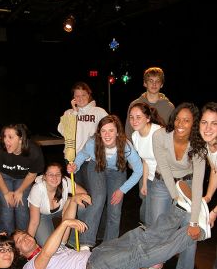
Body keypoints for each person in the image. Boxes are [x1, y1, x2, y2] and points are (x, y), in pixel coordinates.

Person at [13, 182, 210, 269]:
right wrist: (65, 224)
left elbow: (65, 225)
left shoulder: (53, 246)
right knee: (140, 255)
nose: (25, 239)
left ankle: (180, 210)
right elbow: (48, 251)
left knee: (141, 236)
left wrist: (72, 200)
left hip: (97, 255)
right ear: (20, 253)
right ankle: (195, 233)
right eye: (20, 241)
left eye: (23, 234)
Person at [150, 102, 207, 269]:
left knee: (190, 229)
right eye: (178, 119)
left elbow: (198, 184)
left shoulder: (199, 145)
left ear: (194, 124)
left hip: (188, 183)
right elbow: (164, 168)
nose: (180, 124)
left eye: (187, 120)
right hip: (162, 181)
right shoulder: (159, 136)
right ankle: (155, 259)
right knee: (158, 224)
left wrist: (194, 220)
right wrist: (176, 196)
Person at [67, 114, 143, 250]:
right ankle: (86, 242)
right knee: (98, 199)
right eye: (103, 131)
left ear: (118, 132)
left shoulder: (126, 146)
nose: (107, 134)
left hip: (117, 172)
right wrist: (75, 166)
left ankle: (109, 246)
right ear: (99, 132)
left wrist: (122, 190)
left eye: (111, 130)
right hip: (97, 168)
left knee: (115, 208)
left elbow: (138, 170)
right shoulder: (92, 143)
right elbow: (83, 155)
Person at [0, 123, 45, 235]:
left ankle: (23, 239)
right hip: (3, 176)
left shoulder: (33, 150)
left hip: (23, 178)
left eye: (10, 137)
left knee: (22, 208)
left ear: (20, 139)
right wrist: (6, 193)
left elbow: (32, 174)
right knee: (7, 208)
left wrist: (20, 191)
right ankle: (6, 241)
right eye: (4, 136)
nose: (6, 141)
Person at [57, 81, 108, 189]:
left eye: (83, 95)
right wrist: (75, 112)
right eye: (77, 95)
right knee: (77, 191)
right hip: (71, 158)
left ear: (89, 95)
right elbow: (63, 131)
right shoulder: (68, 113)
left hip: (91, 159)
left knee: (93, 191)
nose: (80, 98)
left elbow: (110, 130)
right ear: (73, 98)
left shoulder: (99, 112)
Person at [27, 161, 88, 246]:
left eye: (58, 174)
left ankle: (72, 238)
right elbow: (34, 222)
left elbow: (84, 195)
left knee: (81, 206)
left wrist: (71, 200)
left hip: (62, 210)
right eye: (51, 174)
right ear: (44, 177)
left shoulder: (65, 182)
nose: (55, 178)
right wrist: (29, 244)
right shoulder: (37, 189)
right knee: (47, 245)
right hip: (42, 216)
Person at [129, 102, 166, 227]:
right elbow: (145, 160)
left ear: (148, 118)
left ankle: (157, 244)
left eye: (138, 117)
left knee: (155, 219)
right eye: (131, 117)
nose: (134, 121)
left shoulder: (159, 132)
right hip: (150, 179)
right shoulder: (135, 136)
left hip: (163, 180)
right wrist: (144, 183)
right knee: (145, 215)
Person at [194, 102, 217, 269]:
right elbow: (216, 172)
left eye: (214, 123)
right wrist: (208, 196)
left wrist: (215, 211)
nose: (208, 128)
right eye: (204, 122)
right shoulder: (209, 146)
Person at [125, 67, 174, 141]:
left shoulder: (169, 107)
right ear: (145, 83)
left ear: (161, 84)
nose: (154, 84)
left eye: (157, 81)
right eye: (151, 81)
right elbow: (128, 131)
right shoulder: (135, 105)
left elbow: (172, 132)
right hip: (138, 149)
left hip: (161, 149)